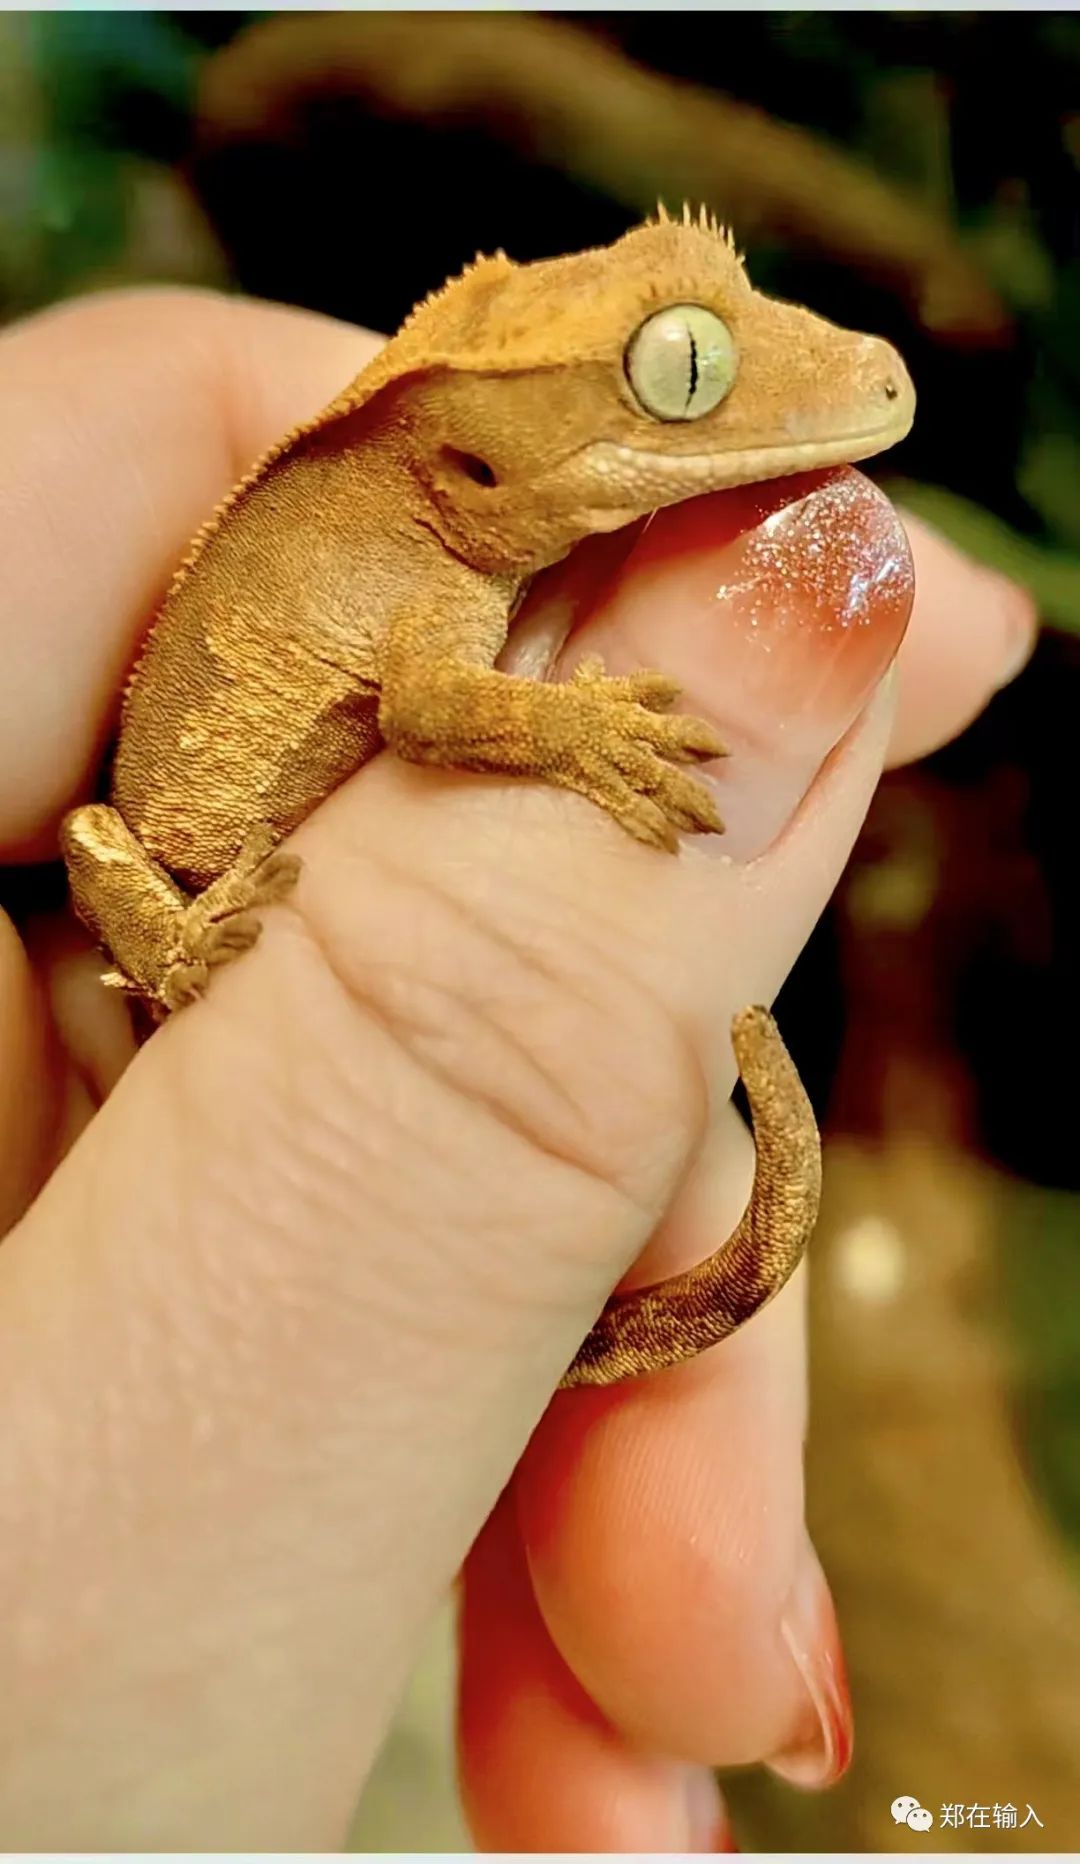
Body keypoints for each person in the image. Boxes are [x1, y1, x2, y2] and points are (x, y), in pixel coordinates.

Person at [0, 287, 1035, 1851]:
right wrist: (576, 740)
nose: (840, 364)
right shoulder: (431, 577)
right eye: (685, 377)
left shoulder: (454, 545)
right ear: (476, 461)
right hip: (158, 915)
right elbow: (420, 706)